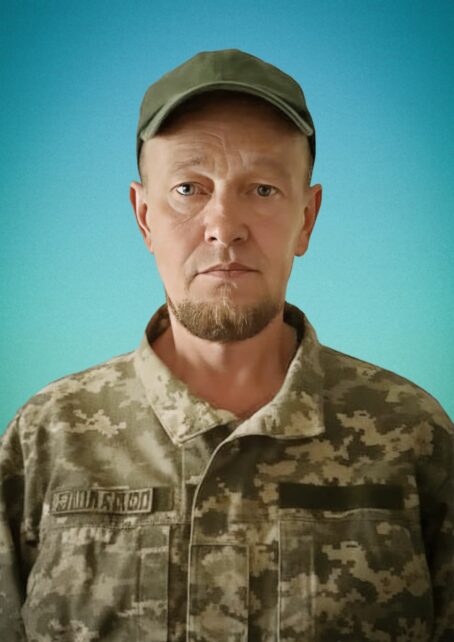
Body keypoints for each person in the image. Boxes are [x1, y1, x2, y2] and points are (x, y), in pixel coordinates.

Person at [0, 48, 452, 642]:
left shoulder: (411, 435)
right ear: (144, 217)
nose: (223, 226)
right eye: (189, 188)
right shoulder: (47, 438)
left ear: (307, 218)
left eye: (262, 189)